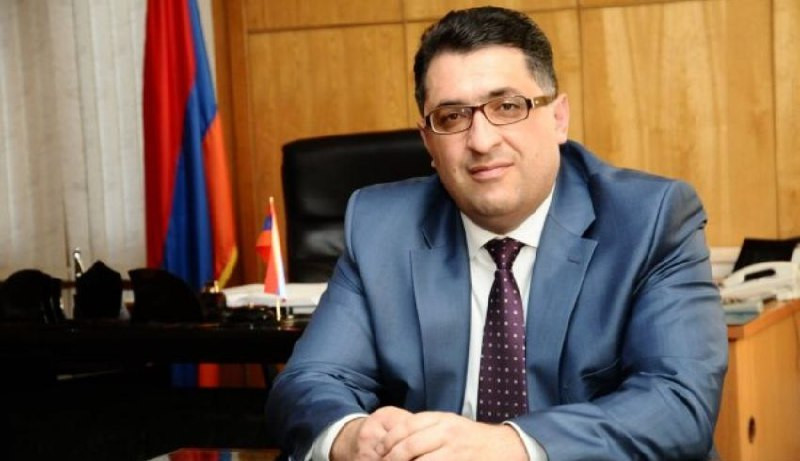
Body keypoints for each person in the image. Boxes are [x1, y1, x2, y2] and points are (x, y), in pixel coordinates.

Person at [266, 6, 728, 460]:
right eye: (451, 117)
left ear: (558, 118)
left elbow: (678, 403)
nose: (482, 141)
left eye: (507, 107)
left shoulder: (650, 219)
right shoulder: (380, 226)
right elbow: (308, 382)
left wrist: (509, 445)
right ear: (428, 142)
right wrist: (351, 437)